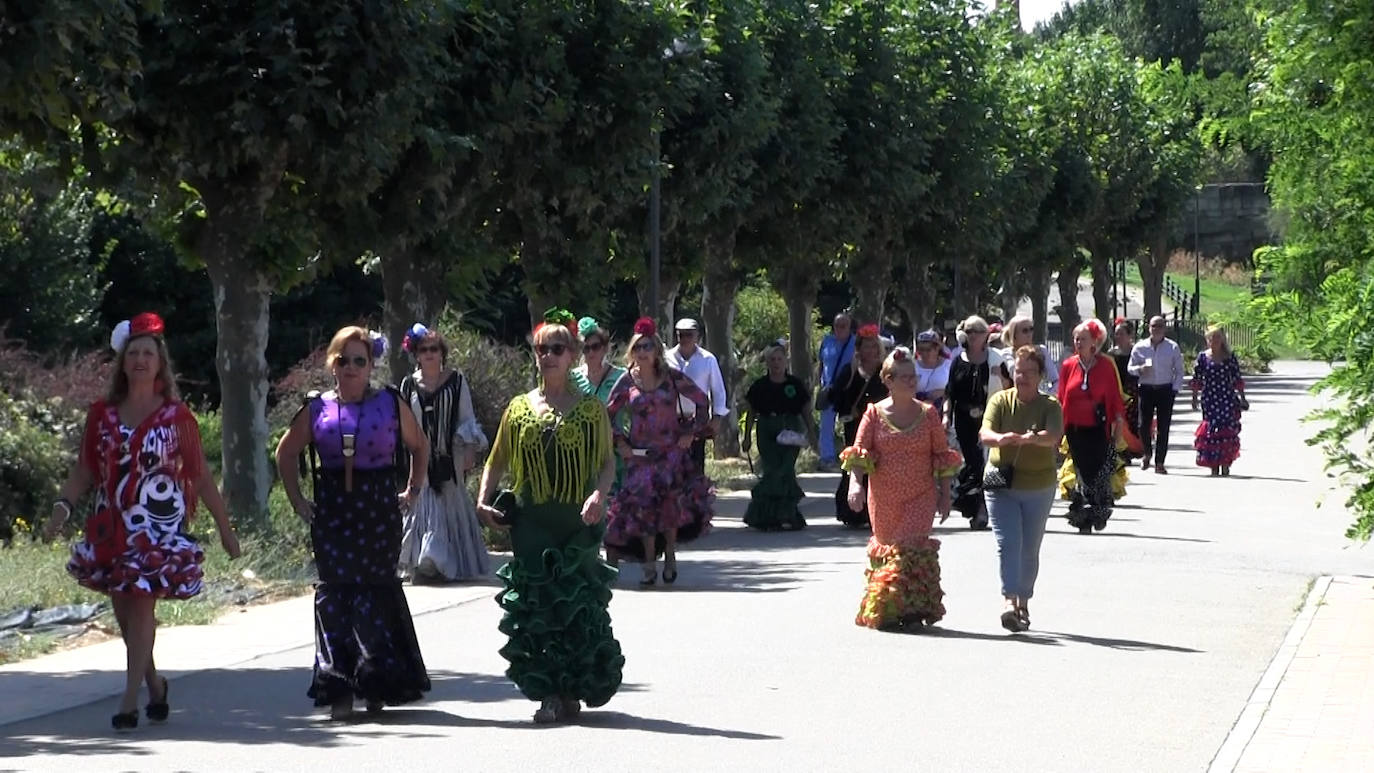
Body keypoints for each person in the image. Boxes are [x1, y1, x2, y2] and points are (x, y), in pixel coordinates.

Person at [42, 313, 240, 731]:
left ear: (160, 362)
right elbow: (83, 469)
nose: (140, 360)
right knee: (124, 611)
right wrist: (62, 506)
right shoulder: (102, 414)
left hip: (157, 525)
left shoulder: (177, 416)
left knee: (141, 602)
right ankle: (154, 682)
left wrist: (225, 528)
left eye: (147, 353)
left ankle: (128, 699)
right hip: (110, 523)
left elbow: (200, 474)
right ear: (123, 361)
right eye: (133, 353)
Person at [275, 326, 432, 720]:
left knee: (375, 593)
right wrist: (297, 501)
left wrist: (412, 490)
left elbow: (419, 446)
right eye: (342, 360)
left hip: (378, 510)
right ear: (332, 365)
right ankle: (339, 690)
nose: (350, 368)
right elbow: (286, 453)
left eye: (359, 361)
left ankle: (376, 682)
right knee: (337, 596)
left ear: (371, 365)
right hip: (333, 513)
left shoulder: (390, 403)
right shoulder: (317, 409)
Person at [474, 311, 624, 724]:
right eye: (542, 349)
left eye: (558, 348)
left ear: (573, 355)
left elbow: (607, 463)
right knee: (539, 609)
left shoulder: (592, 411)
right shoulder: (519, 409)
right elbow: (496, 460)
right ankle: (551, 693)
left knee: (577, 608)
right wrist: (483, 500)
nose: (549, 355)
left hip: (576, 522)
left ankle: (575, 685)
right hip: (532, 524)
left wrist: (599, 494)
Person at [842, 347, 961, 631]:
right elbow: (859, 455)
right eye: (904, 377)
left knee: (910, 550)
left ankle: (912, 609)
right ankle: (890, 609)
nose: (911, 381)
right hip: (883, 499)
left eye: (913, 376)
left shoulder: (929, 414)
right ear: (888, 380)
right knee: (890, 549)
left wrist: (945, 495)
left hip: (920, 496)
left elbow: (941, 456)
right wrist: (856, 486)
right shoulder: (873, 414)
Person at [605, 317, 715, 586]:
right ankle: (649, 563)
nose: (642, 352)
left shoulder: (672, 378)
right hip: (640, 457)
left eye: (647, 347)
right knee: (643, 509)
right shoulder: (626, 381)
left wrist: (691, 432)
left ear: (656, 351)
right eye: (638, 347)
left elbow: (703, 402)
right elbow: (607, 414)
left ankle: (670, 554)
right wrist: (620, 441)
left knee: (669, 510)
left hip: (670, 455)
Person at [396, 323, 490, 583]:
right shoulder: (408, 386)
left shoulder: (456, 381)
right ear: (416, 354)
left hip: (451, 460)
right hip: (419, 464)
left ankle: (442, 562)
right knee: (423, 506)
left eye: (434, 349)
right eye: (423, 349)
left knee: (448, 506)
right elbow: (401, 425)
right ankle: (428, 560)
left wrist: (470, 449)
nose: (429, 354)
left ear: (442, 353)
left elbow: (467, 418)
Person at [980, 346, 1064, 633]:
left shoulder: (1050, 405)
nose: (1022, 377)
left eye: (1029, 373)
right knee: (1008, 543)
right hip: (999, 481)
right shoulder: (1000, 401)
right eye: (1018, 371)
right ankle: (1008, 601)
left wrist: (1032, 439)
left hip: (1038, 485)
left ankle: (1023, 602)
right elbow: (985, 433)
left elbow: (1053, 436)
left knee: (1029, 548)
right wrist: (1001, 439)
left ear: (1040, 376)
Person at [1057, 319, 1125, 534]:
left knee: (1097, 473)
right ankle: (1083, 517)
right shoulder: (1068, 365)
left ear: (1094, 342)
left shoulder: (1106, 365)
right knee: (1081, 473)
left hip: (1098, 428)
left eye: (1083, 339)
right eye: (1076, 338)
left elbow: (1114, 397)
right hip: (1074, 429)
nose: (1078, 342)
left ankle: (1097, 511)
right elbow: (1061, 397)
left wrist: (1119, 424)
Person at [742, 341, 817, 531]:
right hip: (767, 430)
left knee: (785, 470)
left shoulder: (795, 384)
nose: (776, 363)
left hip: (790, 429)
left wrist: (812, 434)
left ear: (786, 361)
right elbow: (751, 412)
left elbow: (806, 410)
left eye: (779, 359)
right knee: (771, 469)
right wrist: (746, 437)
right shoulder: (759, 386)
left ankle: (788, 514)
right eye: (772, 360)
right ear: (767, 363)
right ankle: (766, 516)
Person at [946, 315, 1012, 531]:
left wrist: (1000, 378)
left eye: (978, 332)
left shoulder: (996, 358)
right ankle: (976, 507)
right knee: (972, 463)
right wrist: (946, 416)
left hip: (990, 418)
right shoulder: (958, 360)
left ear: (986, 335)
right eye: (970, 331)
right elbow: (950, 393)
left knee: (986, 463)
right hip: (964, 420)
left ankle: (984, 508)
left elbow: (1009, 389)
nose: (973, 336)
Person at [828, 324, 889, 528]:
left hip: (879, 425)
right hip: (854, 425)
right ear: (859, 348)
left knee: (877, 467)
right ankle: (853, 510)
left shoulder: (884, 371)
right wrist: (853, 375)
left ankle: (876, 511)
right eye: (865, 346)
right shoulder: (850, 369)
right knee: (855, 464)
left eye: (873, 346)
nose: (869, 351)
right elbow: (837, 397)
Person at [665, 318, 730, 471]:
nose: (685, 339)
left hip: (697, 421)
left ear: (697, 336)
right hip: (670, 420)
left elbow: (718, 390)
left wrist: (717, 417)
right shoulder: (666, 358)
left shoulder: (708, 359)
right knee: (671, 469)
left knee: (695, 467)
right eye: (681, 335)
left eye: (689, 335)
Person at [1128, 315, 1186, 474]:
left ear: (1165, 328)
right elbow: (1130, 368)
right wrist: (1139, 369)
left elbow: (1180, 371)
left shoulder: (1172, 347)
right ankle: (1147, 453)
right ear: (1149, 328)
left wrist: (1175, 389)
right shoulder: (1140, 347)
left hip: (1165, 389)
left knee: (1163, 427)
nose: (1157, 329)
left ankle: (1160, 462)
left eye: (1160, 326)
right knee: (1143, 425)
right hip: (1146, 388)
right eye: (1154, 326)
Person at [1191, 326, 1247, 476]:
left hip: (1226, 398)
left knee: (1226, 430)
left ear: (1222, 339)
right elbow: (1197, 379)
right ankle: (1213, 463)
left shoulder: (1229, 357)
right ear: (1207, 340)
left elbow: (1236, 378)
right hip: (1209, 399)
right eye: (1211, 338)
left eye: (1217, 338)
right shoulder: (1203, 357)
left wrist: (1243, 398)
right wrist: (1194, 398)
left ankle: (1225, 462)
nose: (1214, 341)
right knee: (1211, 430)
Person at [815, 312, 855, 471]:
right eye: (837, 325)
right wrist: (819, 383)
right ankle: (827, 458)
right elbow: (821, 364)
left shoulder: (856, 342)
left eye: (844, 325)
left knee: (850, 424)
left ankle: (852, 457)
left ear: (849, 326)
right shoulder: (827, 341)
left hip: (848, 389)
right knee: (826, 425)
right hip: (829, 389)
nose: (840, 329)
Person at [1109, 320, 1143, 461]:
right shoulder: (1111, 353)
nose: (1118, 337)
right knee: (1118, 420)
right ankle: (1121, 452)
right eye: (1116, 334)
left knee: (1131, 420)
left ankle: (1133, 448)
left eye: (1121, 334)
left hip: (1132, 390)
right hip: (1116, 389)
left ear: (1130, 335)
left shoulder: (1136, 351)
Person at [574, 316, 627, 404]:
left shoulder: (621, 377)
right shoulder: (574, 378)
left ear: (605, 348)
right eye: (586, 348)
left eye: (595, 347)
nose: (591, 352)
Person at [1000, 315, 1057, 394]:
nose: (1029, 334)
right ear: (1014, 335)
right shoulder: (1005, 354)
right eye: (1025, 331)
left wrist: (1047, 396)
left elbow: (1056, 380)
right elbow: (1015, 373)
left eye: (1031, 329)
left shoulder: (1041, 350)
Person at [913, 330, 951, 414]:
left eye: (928, 350)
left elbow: (956, 389)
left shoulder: (948, 365)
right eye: (921, 349)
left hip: (942, 411)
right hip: (917, 412)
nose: (924, 353)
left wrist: (943, 392)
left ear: (937, 348)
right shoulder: (913, 366)